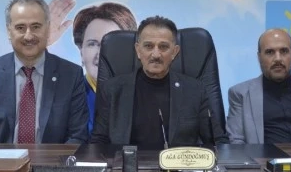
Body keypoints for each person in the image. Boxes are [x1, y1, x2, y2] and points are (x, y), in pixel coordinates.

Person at [0, 0, 89, 144]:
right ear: (9, 31)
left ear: (48, 28)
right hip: (0, 160)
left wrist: (56, 160)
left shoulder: (71, 75)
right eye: (20, 28)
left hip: (53, 160)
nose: (28, 36)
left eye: (36, 27)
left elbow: (77, 137)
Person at [90, 16, 228, 148]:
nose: (156, 55)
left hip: (179, 164)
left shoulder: (196, 90)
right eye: (148, 46)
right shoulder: (112, 90)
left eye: (163, 47)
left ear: (175, 52)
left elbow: (217, 141)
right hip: (127, 163)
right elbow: (98, 142)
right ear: (138, 50)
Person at [72, 2, 137, 133]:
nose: (101, 53)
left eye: (112, 44)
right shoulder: (67, 98)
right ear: (81, 52)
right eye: (92, 44)